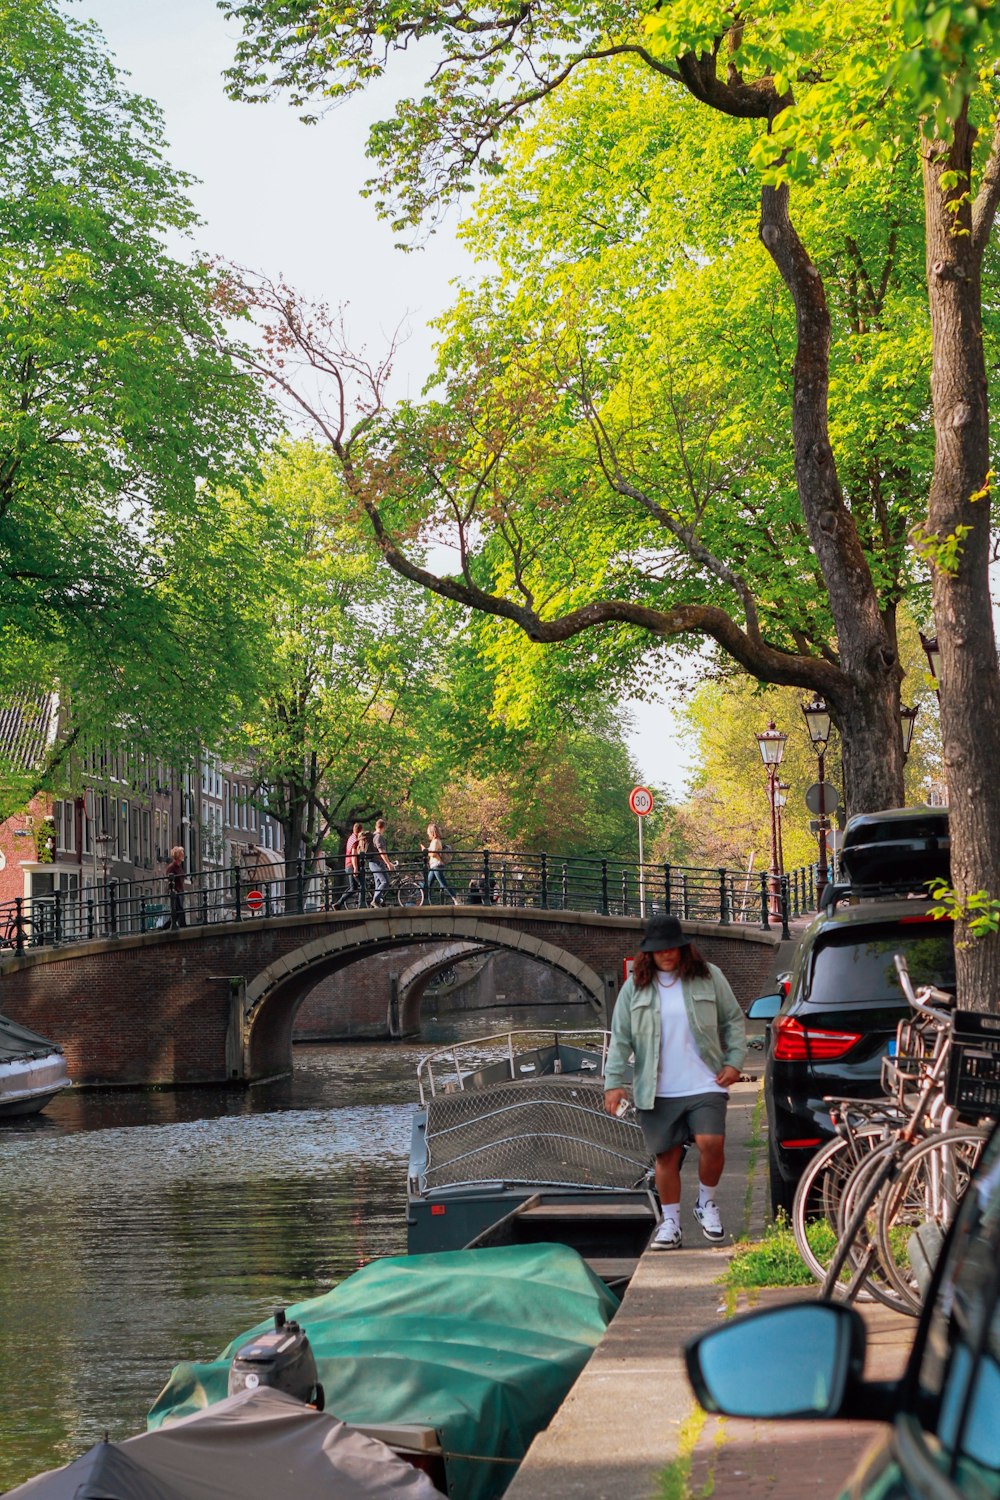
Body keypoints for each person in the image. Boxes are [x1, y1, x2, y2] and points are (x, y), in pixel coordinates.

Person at [604, 912, 746, 1248]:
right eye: (659, 949)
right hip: (657, 1088)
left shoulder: (710, 977)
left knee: (712, 1142)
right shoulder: (634, 988)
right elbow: (621, 1037)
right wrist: (614, 1082)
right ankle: (670, 1223)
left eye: (673, 947)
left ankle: (706, 1203)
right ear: (648, 953)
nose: (667, 953)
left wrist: (735, 1061)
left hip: (705, 1081)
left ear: (684, 948)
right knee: (666, 1157)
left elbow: (733, 1021)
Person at [421, 822, 458, 904]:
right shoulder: (435, 841)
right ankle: (427, 902)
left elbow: (433, 854)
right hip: (434, 865)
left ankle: (455, 898)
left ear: (431, 832)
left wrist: (425, 851)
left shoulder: (436, 841)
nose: (428, 835)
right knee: (427, 884)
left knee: (443, 883)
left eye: (428, 833)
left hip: (437, 865)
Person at [332, 823, 363, 909]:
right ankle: (361, 905)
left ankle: (338, 904)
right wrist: (356, 868)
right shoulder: (355, 841)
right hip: (352, 866)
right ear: (360, 830)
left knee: (353, 888)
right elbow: (353, 854)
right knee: (362, 886)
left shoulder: (351, 838)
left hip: (348, 865)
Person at [367, 818, 394, 907]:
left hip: (372, 863)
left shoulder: (373, 836)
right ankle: (375, 900)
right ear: (383, 827)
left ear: (376, 826)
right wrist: (388, 863)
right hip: (377, 863)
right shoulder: (378, 837)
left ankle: (376, 902)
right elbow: (381, 851)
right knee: (385, 882)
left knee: (378, 883)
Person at [165, 845, 187, 929]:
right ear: (178, 855)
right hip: (176, 892)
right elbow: (169, 879)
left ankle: (165, 927)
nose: (183, 855)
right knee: (180, 910)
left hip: (181, 891)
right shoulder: (172, 867)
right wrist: (173, 890)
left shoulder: (179, 867)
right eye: (182, 853)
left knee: (177, 913)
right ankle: (184, 927)